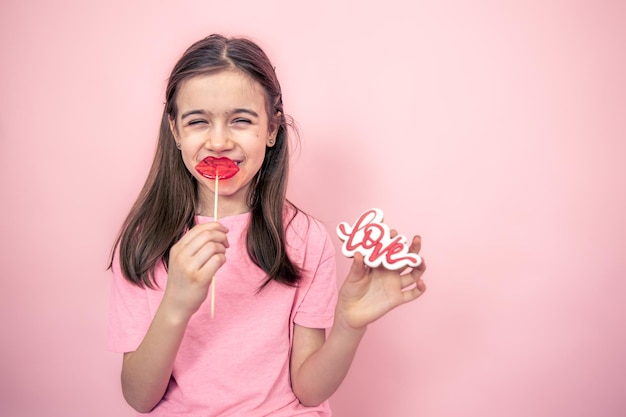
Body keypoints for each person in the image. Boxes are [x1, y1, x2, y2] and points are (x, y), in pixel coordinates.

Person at [107, 33, 427, 416]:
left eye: (241, 120)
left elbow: (308, 392)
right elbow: (139, 397)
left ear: (272, 130)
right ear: (175, 131)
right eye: (197, 122)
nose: (220, 141)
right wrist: (176, 302)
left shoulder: (303, 238)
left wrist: (347, 324)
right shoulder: (144, 241)